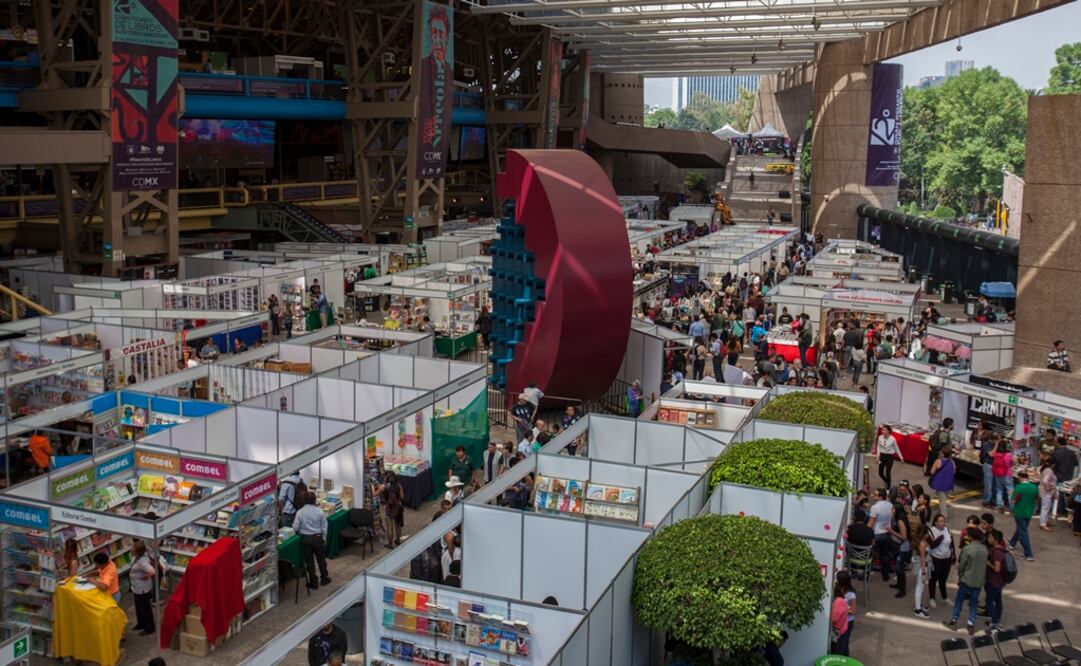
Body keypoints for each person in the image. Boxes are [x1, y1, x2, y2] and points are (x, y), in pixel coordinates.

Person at [943, 527, 988, 635]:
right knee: (973, 602)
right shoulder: (984, 549)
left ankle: (954, 621)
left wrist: (960, 576)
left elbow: (962, 565)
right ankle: (971, 624)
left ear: (971, 537)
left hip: (966, 579)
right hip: (978, 580)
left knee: (959, 600)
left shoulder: (967, 549)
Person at [294, 492, 331, 589]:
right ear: (314, 500)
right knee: (321, 559)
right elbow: (324, 527)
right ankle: (324, 578)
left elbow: (295, 527)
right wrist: (324, 538)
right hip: (317, 538)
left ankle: (313, 582)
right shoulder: (320, 511)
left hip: (305, 539)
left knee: (309, 562)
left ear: (304, 500)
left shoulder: (300, 512)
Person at [1008, 470, 1038, 561]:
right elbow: (1036, 498)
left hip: (1020, 512)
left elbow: (1013, 501)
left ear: (1020, 477)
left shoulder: (1019, 487)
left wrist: (1011, 494)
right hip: (1029, 512)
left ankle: (1028, 554)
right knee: (1021, 528)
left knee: (1023, 532)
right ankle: (1012, 543)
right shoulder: (1034, 487)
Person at [927, 513, 953, 609]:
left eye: (943, 521)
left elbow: (951, 544)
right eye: (940, 521)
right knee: (933, 579)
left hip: (947, 558)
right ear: (935, 522)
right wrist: (940, 538)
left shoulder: (948, 530)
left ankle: (944, 597)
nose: (943, 523)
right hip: (935, 558)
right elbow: (932, 545)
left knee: (943, 579)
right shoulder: (931, 531)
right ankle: (932, 598)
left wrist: (953, 556)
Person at [868, 489, 895, 583]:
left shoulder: (875, 507)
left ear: (880, 496)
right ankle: (885, 575)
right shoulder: (890, 505)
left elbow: (871, 523)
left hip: (877, 533)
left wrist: (865, 531)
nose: (873, 496)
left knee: (870, 554)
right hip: (886, 532)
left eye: (875, 494)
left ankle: (867, 573)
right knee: (884, 555)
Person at [130, 541, 157, 635]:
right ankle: (141, 623)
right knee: (139, 607)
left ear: (137, 551)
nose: (131, 549)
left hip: (142, 588)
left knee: (145, 608)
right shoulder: (137, 557)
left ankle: (149, 627)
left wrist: (146, 576)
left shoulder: (142, 562)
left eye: (133, 548)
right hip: (136, 587)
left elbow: (153, 571)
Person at [984, 529, 1007, 631]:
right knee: (998, 601)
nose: (989, 539)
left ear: (996, 540)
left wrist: (988, 563)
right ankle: (997, 619)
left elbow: (997, 569)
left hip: (994, 581)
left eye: (991, 537)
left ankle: (995, 621)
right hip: (1000, 581)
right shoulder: (1001, 549)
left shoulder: (997, 553)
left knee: (989, 602)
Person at [889, 502, 911, 599]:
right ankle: (898, 584)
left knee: (899, 568)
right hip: (899, 546)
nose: (892, 510)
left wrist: (892, 532)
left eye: (893, 509)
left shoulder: (900, 521)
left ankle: (902, 589)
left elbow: (904, 537)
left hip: (902, 547)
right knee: (898, 567)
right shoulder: (897, 519)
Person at [928, 447, 956, 520]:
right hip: (948, 483)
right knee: (944, 498)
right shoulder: (952, 462)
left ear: (943, 454)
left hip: (940, 484)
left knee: (942, 500)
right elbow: (954, 471)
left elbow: (932, 471)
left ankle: (944, 516)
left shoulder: (938, 461)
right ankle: (941, 512)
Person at [377, 472, 404, 549]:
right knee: (398, 525)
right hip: (398, 508)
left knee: (390, 527)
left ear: (386, 478)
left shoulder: (383, 486)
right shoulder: (399, 485)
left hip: (388, 508)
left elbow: (375, 494)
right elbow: (402, 497)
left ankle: (390, 544)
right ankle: (398, 540)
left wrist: (372, 487)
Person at [1053, 437, 1077, 517]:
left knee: (1059, 493)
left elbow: (1054, 464)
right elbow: (1076, 464)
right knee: (1066, 493)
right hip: (1069, 476)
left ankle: (1061, 509)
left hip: (1059, 475)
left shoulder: (1057, 452)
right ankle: (1065, 508)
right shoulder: (1072, 453)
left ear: (1058, 443)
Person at [912, 521, 931, 617]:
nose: (928, 534)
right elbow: (923, 558)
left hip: (920, 566)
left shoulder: (920, 541)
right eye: (927, 533)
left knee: (920, 587)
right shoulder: (922, 543)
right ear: (923, 533)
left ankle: (918, 605)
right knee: (919, 587)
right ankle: (917, 609)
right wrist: (924, 572)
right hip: (921, 567)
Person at [1039, 452, 1059, 532]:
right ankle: (1043, 523)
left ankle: (1045, 521)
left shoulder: (1045, 469)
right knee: (1046, 507)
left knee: (1047, 507)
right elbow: (1045, 481)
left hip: (1045, 491)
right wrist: (1048, 488)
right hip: (1046, 492)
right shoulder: (1049, 471)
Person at [830, 582, 850, 655]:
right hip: (842, 630)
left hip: (838, 633)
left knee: (836, 653)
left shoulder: (838, 601)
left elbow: (834, 619)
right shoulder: (840, 600)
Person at [978, 433, 996, 507]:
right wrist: (997, 445)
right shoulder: (986, 444)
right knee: (988, 485)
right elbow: (991, 454)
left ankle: (992, 500)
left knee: (994, 485)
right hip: (988, 465)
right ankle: (986, 501)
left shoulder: (996, 444)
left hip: (995, 466)